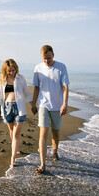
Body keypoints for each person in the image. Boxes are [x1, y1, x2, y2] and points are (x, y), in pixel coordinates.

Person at [31, 45, 70, 174]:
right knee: (43, 132)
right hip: (43, 105)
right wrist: (33, 103)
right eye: (44, 59)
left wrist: (64, 103)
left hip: (57, 106)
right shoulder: (38, 68)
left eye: (48, 58)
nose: (46, 61)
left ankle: (55, 151)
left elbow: (65, 87)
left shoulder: (61, 67)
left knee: (56, 132)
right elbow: (36, 87)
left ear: (53, 54)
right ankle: (42, 164)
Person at [0, 59, 33, 167]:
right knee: (11, 131)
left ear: (16, 68)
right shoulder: (1, 80)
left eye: (13, 70)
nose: (12, 73)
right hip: (6, 108)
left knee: (15, 134)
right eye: (9, 71)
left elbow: (27, 93)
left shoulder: (21, 78)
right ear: (5, 70)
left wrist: (33, 105)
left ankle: (13, 158)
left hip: (19, 108)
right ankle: (16, 148)